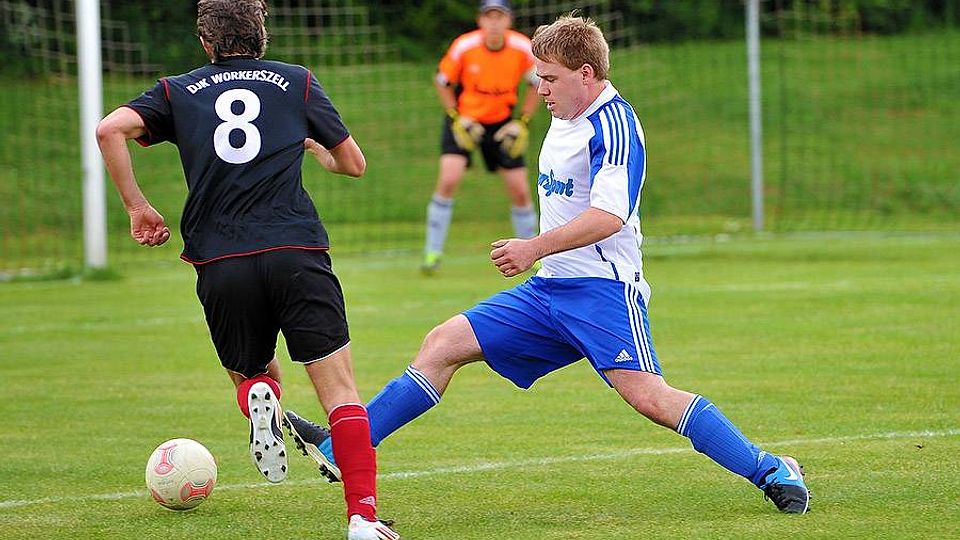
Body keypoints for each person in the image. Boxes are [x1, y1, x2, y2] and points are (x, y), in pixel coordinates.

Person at [286, 14, 812, 516]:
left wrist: (533, 247)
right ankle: (342, 448)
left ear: (586, 73)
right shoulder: (565, 115)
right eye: (538, 76)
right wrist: (541, 259)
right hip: (548, 291)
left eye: (550, 78)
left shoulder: (614, 125)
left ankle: (771, 468)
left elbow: (609, 216)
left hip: (602, 291)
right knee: (442, 344)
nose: (539, 89)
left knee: (650, 398)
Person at [94, 1, 399, 538]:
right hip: (296, 250)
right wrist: (317, 151)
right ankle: (363, 519)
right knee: (341, 393)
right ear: (262, 36)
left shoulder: (178, 90)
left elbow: (108, 130)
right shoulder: (296, 82)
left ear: (206, 43)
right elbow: (354, 164)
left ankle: (264, 398)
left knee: (253, 374)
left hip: (220, 258)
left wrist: (138, 207)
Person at [422, 0, 541, 274]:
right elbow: (442, 81)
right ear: (480, 20)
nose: (494, 23)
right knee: (448, 180)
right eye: (489, 16)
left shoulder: (522, 47)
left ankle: (535, 255)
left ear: (509, 20)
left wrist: (522, 122)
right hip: (466, 121)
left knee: (520, 190)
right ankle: (431, 254)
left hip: (502, 124)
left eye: (500, 16)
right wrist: (456, 117)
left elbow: (538, 81)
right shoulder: (465, 46)